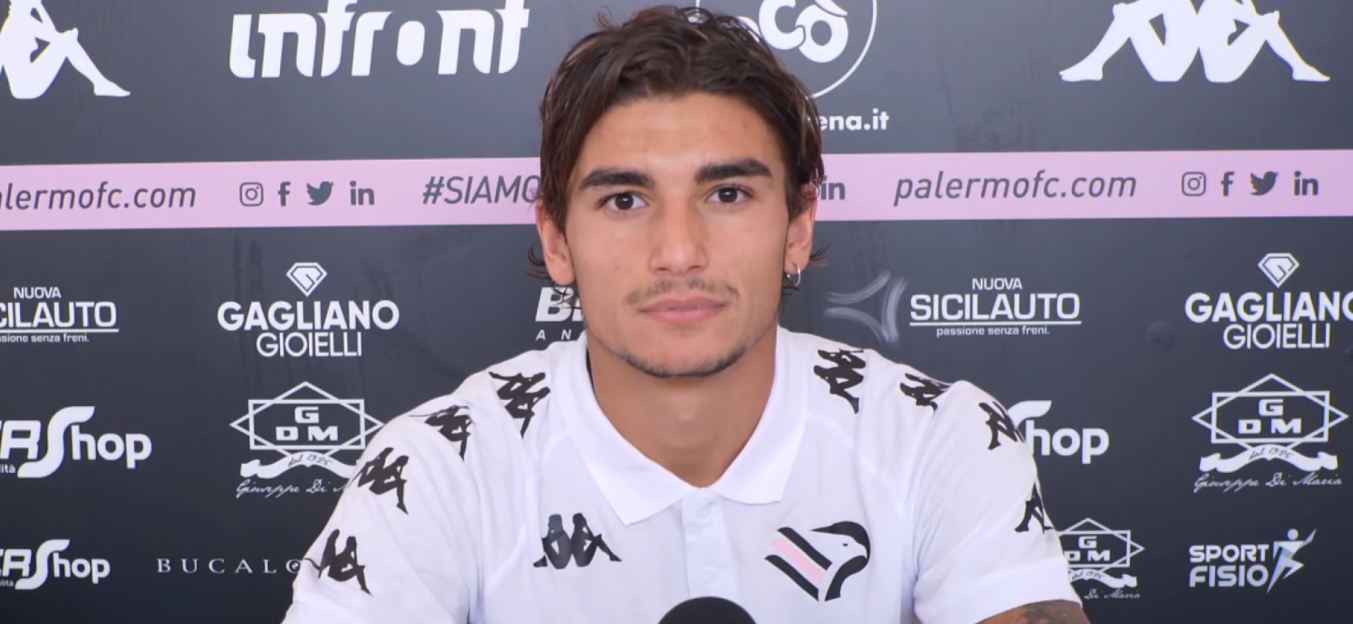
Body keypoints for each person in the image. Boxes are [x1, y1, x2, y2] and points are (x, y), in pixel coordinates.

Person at [281, 6, 1089, 623]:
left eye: (727, 194)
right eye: (624, 200)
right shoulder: (436, 467)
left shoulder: (938, 438)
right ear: (556, 240)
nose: (678, 251)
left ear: (797, 226)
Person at [1060, 0, 1329, 83]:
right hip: (1169, 66)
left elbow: (1255, 20)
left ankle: (1299, 68)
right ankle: (1094, 64)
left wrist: (1258, 18)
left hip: (1222, 69)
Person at [0, 0, 129, 100]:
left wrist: (39, 7)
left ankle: (100, 83)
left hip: (24, 86)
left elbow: (52, 33)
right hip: (27, 86)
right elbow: (55, 36)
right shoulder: (20, 21)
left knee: (66, 40)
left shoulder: (20, 20)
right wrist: (69, 36)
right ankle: (100, 84)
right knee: (67, 40)